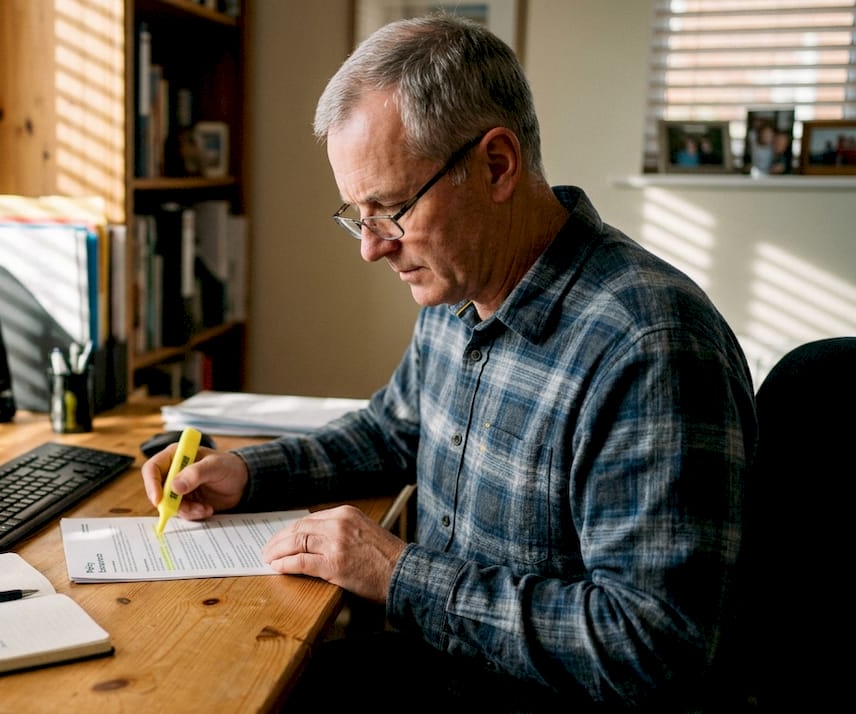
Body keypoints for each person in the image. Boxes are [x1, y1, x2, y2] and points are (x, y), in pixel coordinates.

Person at [140, 11, 756, 712]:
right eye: (357, 214)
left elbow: (653, 645)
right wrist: (249, 472)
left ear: (496, 165)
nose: (370, 247)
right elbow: (393, 430)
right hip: (442, 665)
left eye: (390, 209)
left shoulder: (650, 347)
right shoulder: (457, 290)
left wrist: (398, 574)